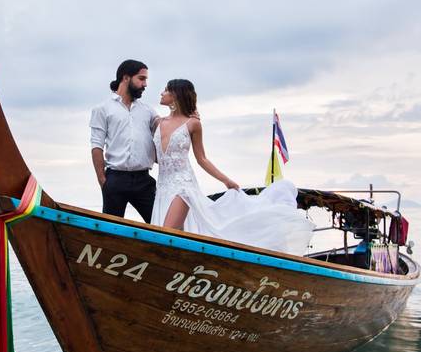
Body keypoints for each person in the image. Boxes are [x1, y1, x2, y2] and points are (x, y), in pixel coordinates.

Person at [151, 79, 315, 255]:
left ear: (176, 95)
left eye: (166, 90)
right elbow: (156, 156)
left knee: (165, 236)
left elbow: (202, 159)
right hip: (162, 188)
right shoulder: (158, 123)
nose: (162, 93)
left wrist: (226, 180)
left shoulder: (193, 124)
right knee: (175, 239)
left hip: (183, 187)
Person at [90, 60, 159, 222]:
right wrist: (103, 181)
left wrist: (187, 116)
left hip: (144, 180)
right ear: (126, 78)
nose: (145, 84)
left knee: (160, 225)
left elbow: (166, 126)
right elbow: (97, 146)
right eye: (141, 79)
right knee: (110, 231)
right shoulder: (102, 109)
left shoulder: (148, 110)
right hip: (115, 180)